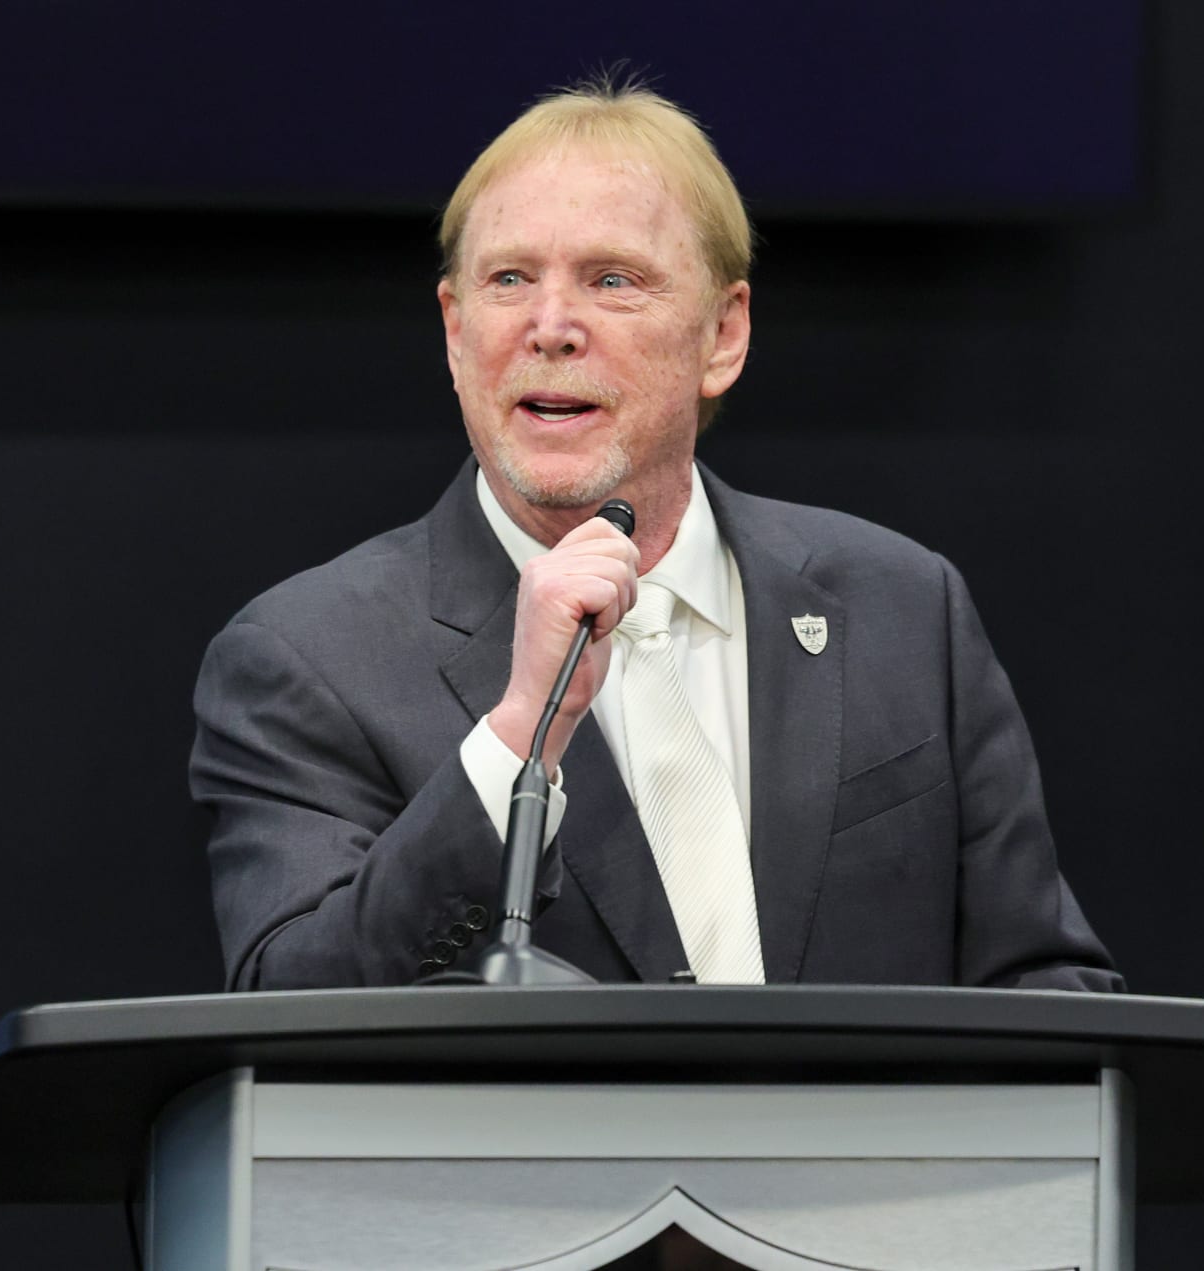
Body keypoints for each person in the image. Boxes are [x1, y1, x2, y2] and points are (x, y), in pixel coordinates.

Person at [189, 79, 1122, 992]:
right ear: (455, 329)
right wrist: (520, 735)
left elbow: (1041, 985)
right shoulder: (307, 658)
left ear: (723, 334)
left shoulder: (902, 609)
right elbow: (290, 1005)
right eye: (510, 279)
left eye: (613, 280)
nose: (551, 328)